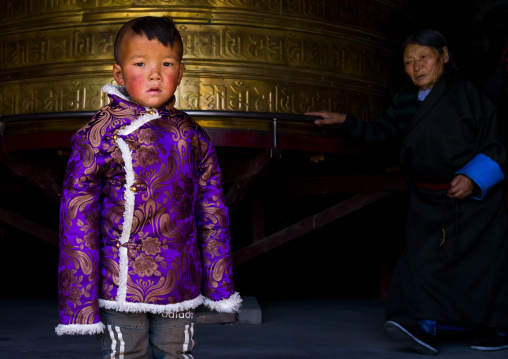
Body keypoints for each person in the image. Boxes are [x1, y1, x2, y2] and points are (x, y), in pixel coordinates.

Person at [306, 29, 508, 355]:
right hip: (427, 199)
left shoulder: (469, 94)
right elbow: (380, 134)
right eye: (408, 62)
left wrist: (472, 177)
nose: (416, 68)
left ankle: (498, 329)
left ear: (444, 54)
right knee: (423, 262)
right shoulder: (404, 100)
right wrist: (344, 121)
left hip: (472, 201)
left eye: (423, 58)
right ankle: (425, 327)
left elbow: (497, 144)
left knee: (480, 267)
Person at [55, 16, 242, 358]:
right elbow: (77, 217)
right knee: (127, 354)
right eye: (140, 63)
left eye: (166, 63)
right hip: (119, 278)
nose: (155, 74)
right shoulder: (98, 135)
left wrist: (219, 284)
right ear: (118, 73)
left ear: (181, 72)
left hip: (179, 275)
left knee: (176, 353)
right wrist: (79, 300)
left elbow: (213, 211)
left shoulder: (192, 136)